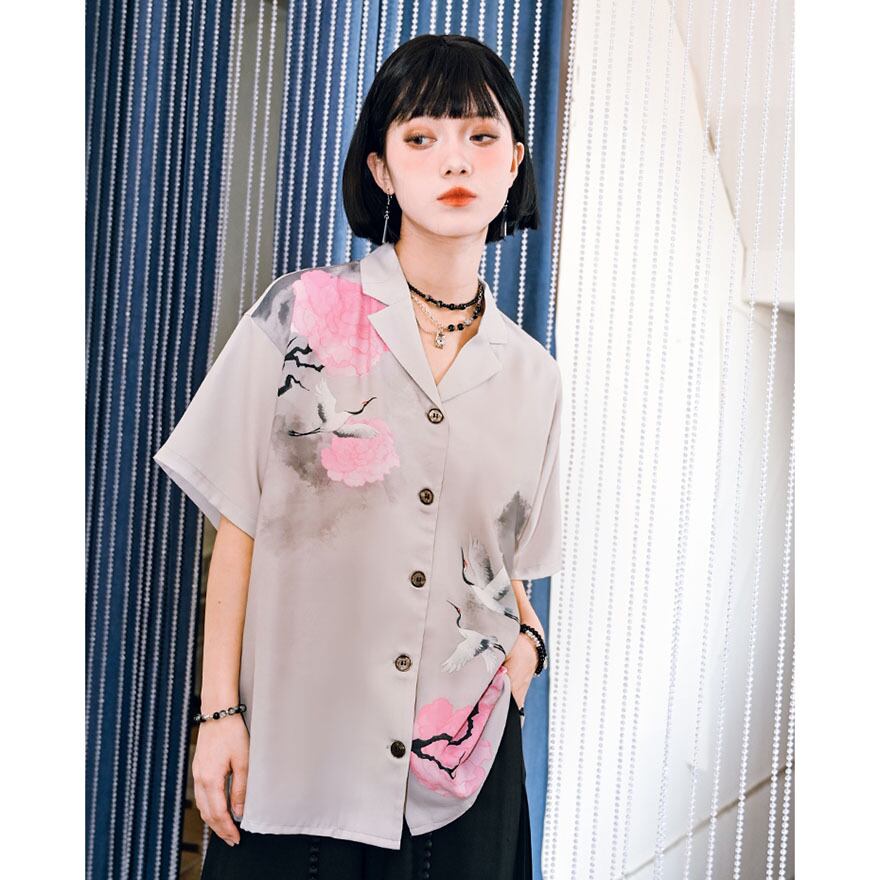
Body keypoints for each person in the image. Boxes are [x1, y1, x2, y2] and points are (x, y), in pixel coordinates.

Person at [154, 33, 562, 879]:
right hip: (303, 762)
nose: (455, 158)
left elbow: (502, 564)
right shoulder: (301, 317)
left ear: (515, 163)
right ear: (381, 167)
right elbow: (240, 525)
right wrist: (219, 713)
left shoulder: (534, 376)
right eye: (422, 137)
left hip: (461, 776)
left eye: (482, 136)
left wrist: (528, 650)